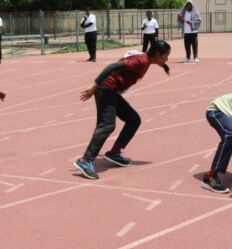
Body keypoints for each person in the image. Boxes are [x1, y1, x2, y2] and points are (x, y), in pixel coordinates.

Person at [73, 41, 171, 180]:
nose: (167, 59)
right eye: (166, 56)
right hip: (105, 89)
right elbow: (112, 66)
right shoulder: (142, 61)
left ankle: (114, 153)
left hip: (112, 91)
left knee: (133, 120)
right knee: (107, 125)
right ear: (157, 54)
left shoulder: (145, 60)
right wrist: (94, 86)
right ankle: (85, 161)